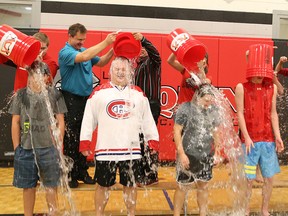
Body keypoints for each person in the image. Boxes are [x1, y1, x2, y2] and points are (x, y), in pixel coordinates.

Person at [79, 57, 159, 216]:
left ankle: (131, 213)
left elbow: (147, 119)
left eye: (124, 70)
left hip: (131, 150)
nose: (121, 72)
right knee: (102, 186)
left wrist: (153, 140)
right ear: (110, 72)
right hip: (105, 150)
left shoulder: (137, 93)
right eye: (117, 69)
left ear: (130, 72)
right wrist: (85, 142)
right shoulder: (99, 93)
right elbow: (88, 118)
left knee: (130, 185)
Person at [58, 23, 117, 188]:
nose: (81, 43)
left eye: (83, 40)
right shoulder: (65, 53)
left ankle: (82, 171)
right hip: (71, 99)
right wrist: (106, 42)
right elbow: (84, 58)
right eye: (78, 39)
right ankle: (70, 175)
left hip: (87, 99)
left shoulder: (85, 51)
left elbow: (103, 61)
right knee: (71, 139)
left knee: (84, 136)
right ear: (69, 36)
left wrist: (114, 48)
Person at [8, 61, 67, 216]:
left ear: (47, 77)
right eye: (32, 74)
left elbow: (61, 121)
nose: (34, 77)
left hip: (49, 148)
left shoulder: (55, 94)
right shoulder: (20, 95)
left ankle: (53, 213)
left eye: (39, 74)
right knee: (28, 187)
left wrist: (58, 144)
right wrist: (16, 147)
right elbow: (15, 121)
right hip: (26, 149)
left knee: (51, 185)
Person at [235, 49, 285, 215]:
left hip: (268, 141)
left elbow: (273, 114)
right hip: (250, 143)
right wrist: (247, 138)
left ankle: (264, 209)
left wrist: (277, 137)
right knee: (248, 179)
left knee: (269, 178)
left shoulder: (271, 88)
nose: (260, 76)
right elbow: (240, 113)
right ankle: (246, 208)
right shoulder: (242, 87)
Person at [173, 84, 221, 216]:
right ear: (198, 97)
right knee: (182, 187)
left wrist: (217, 153)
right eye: (206, 100)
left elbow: (216, 132)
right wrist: (182, 154)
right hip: (188, 154)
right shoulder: (185, 109)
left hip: (205, 155)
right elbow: (177, 132)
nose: (208, 104)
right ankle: (176, 214)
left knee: (203, 186)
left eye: (210, 101)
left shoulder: (213, 110)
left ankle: (203, 214)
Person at [132, 32, 161, 186]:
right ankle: (144, 172)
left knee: (149, 139)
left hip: (151, 104)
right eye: (140, 47)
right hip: (139, 107)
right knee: (141, 141)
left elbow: (156, 53)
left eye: (144, 47)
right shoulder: (137, 67)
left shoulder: (153, 62)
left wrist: (143, 39)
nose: (142, 49)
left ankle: (151, 174)